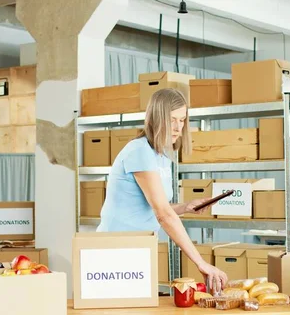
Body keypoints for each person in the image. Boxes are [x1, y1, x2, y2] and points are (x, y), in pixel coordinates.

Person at [96, 88, 228, 293]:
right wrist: (200, 262)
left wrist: (185, 207)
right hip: (115, 248)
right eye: (172, 120)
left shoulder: (161, 157)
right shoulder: (139, 151)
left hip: (139, 247)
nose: (178, 127)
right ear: (157, 118)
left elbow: (153, 206)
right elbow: (163, 214)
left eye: (182, 120)